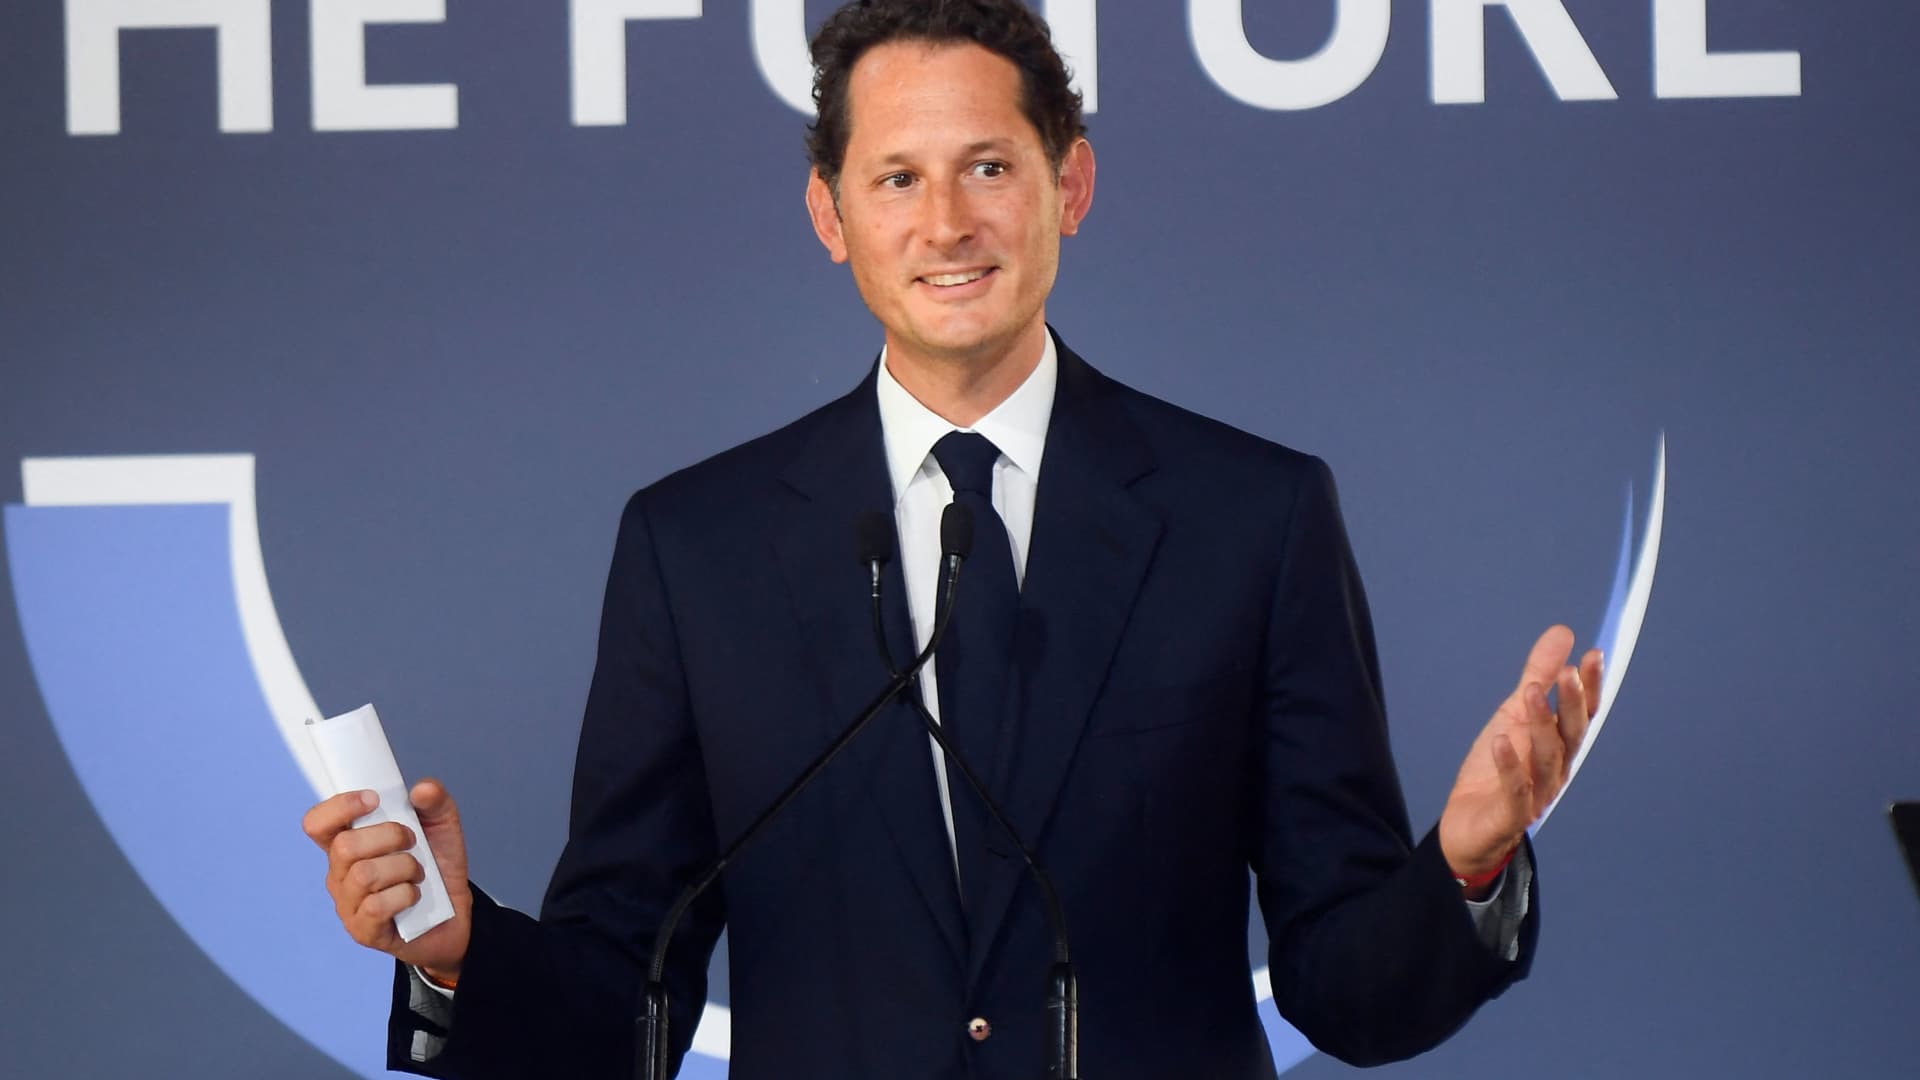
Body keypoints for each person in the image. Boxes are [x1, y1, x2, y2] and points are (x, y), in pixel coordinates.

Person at [301, 2, 1602, 1077]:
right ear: (831, 217)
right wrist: (459, 951)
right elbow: (623, 999)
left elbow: (1348, 993)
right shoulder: (696, 550)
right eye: (897, 179)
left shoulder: (1250, 518)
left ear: (1069, 184)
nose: (946, 225)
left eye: (988, 167)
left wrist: (1465, 863)